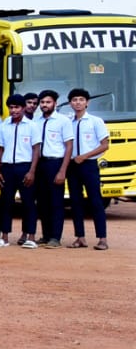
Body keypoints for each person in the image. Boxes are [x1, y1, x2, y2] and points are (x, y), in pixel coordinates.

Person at [0, 94, 40, 249]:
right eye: (11, 107)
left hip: (25, 167)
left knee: (28, 202)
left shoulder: (32, 126)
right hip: (7, 167)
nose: (14, 110)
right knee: (5, 202)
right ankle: (4, 237)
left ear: (23, 108)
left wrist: (32, 171)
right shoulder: (4, 125)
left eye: (17, 107)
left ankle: (30, 236)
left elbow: (36, 149)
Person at [65, 88, 110, 250]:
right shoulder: (68, 122)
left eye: (81, 100)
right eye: (74, 100)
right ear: (70, 103)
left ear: (87, 102)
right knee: (75, 201)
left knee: (95, 201)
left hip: (89, 165)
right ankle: (80, 237)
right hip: (72, 166)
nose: (78, 103)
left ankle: (102, 238)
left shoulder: (95, 121)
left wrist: (84, 156)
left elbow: (104, 145)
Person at [33, 90, 73, 248]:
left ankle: (55, 237)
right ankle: (46, 235)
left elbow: (69, 146)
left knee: (56, 201)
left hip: (55, 163)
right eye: (42, 102)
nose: (45, 105)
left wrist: (63, 170)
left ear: (55, 103)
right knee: (42, 201)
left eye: (48, 102)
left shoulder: (63, 121)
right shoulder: (36, 121)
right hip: (39, 164)